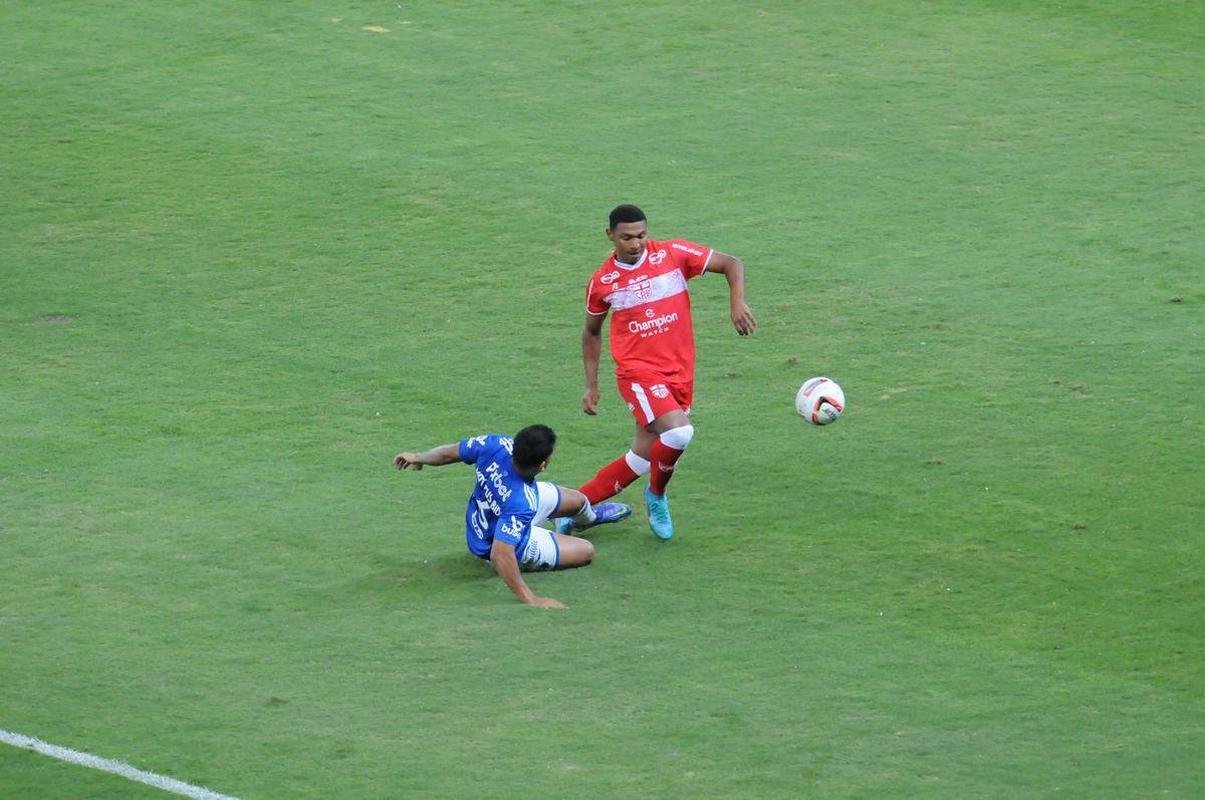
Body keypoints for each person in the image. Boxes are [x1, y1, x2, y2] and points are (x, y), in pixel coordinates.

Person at [563, 204, 756, 541]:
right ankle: (656, 495)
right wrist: (591, 385)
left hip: (679, 372)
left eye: (641, 235)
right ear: (610, 235)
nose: (635, 243)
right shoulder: (603, 282)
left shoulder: (672, 254)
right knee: (679, 434)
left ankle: (568, 512)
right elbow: (591, 332)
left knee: (641, 458)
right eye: (626, 237)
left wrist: (736, 301)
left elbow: (731, 263)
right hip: (638, 373)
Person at [393, 424, 631, 608]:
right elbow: (500, 553)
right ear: (543, 465)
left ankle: (583, 520)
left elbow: (449, 453)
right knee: (586, 551)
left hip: (504, 512)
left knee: (578, 500)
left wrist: (418, 457)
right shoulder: (522, 503)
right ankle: (546, 535)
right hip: (496, 542)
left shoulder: (495, 445)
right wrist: (532, 599)